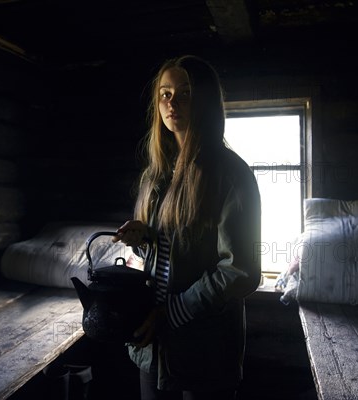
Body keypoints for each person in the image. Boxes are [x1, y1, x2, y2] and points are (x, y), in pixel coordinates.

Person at [113, 55, 262, 400]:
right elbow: (169, 250)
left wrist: (172, 312)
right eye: (164, 94)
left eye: (185, 93)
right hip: (152, 339)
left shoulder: (231, 174)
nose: (172, 102)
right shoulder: (155, 175)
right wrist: (143, 239)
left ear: (206, 101)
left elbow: (240, 270)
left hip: (204, 343)